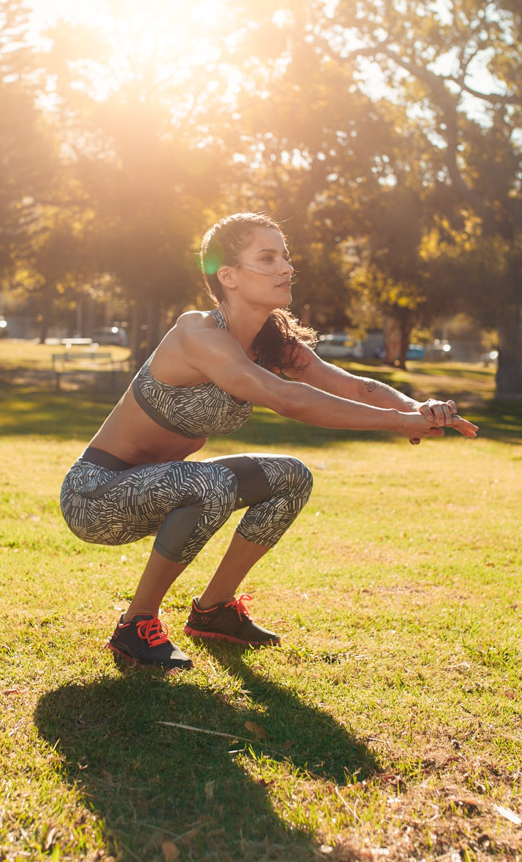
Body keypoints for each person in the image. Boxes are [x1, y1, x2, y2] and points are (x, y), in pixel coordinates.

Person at [59, 213, 478, 670]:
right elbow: (286, 398)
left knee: (291, 477)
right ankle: (136, 625)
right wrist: (396, 424)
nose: (286, 267)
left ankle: (214, 610)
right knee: (212, 483)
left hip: (163, 485)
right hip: (96, 495)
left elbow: (353, 385)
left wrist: (417, 409)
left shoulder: (270, 341)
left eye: (286, 256)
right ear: (229, 276)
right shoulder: (197, 335)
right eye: (267, 257)